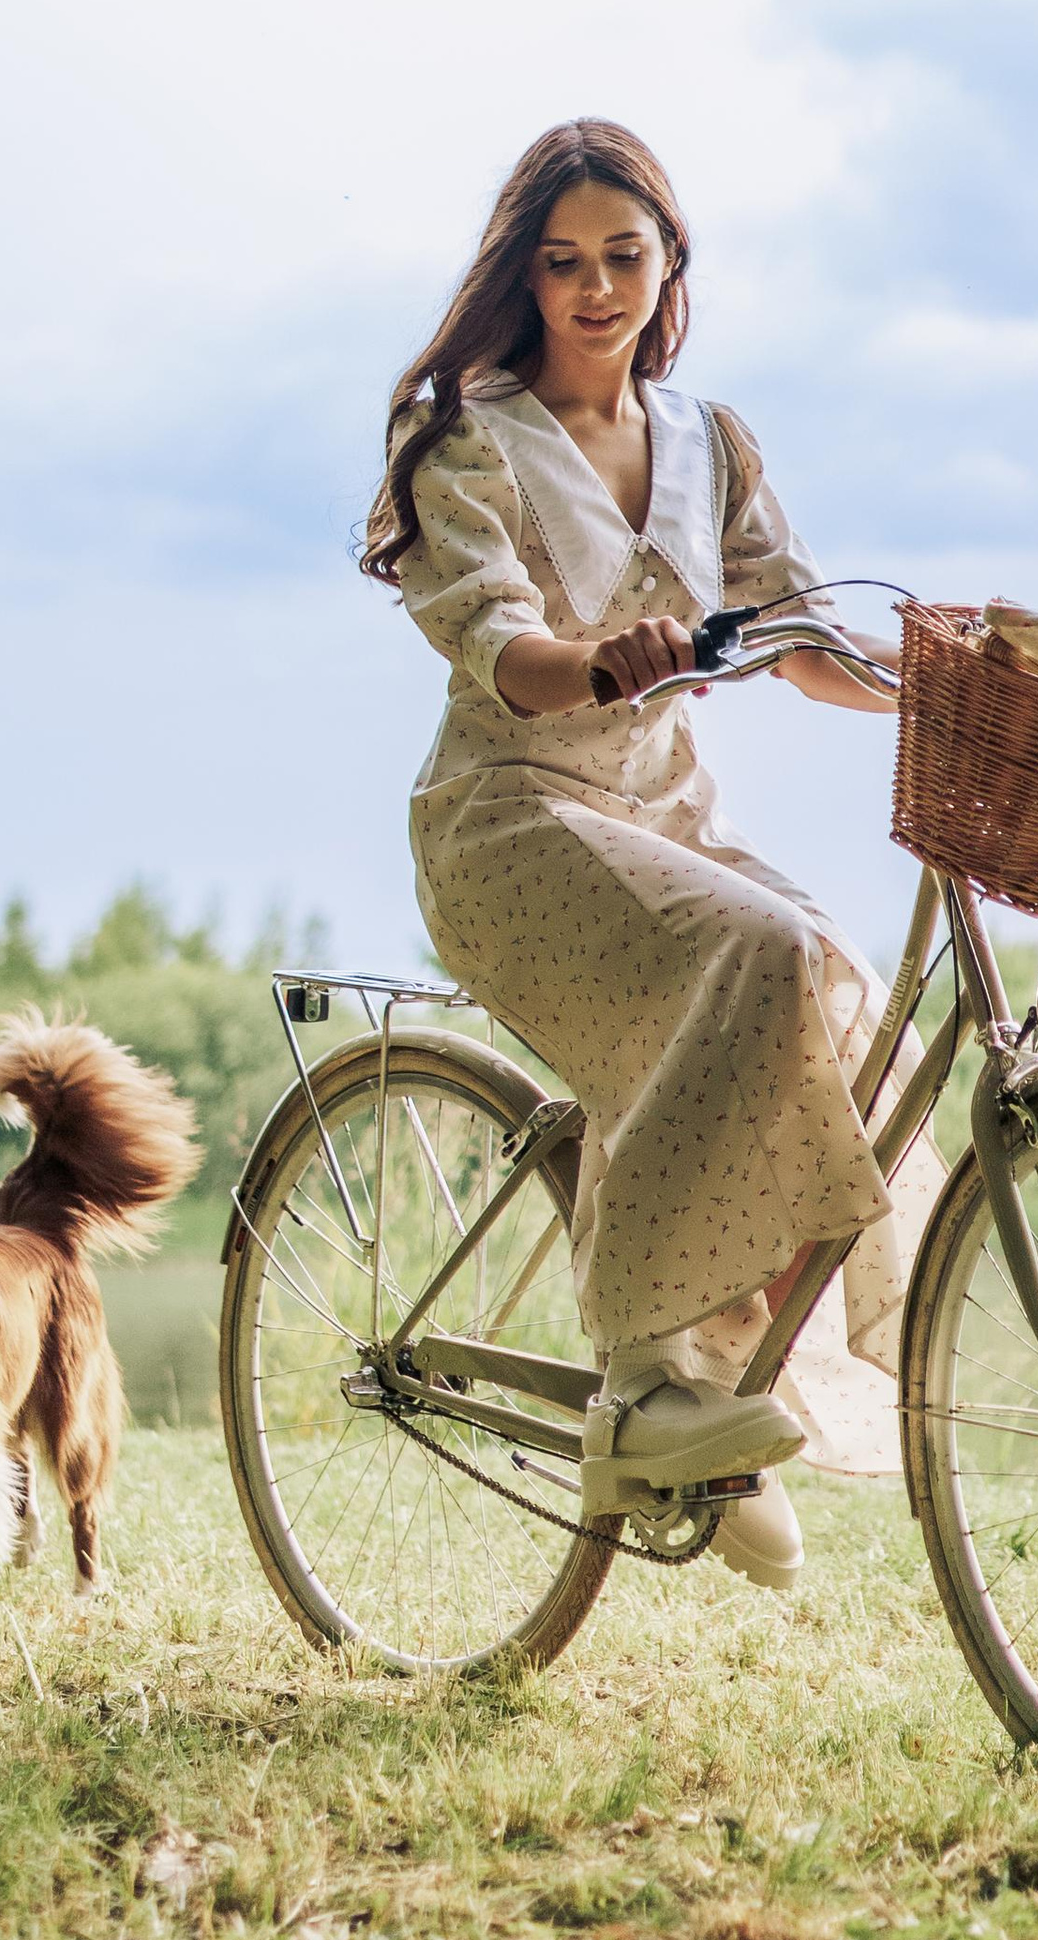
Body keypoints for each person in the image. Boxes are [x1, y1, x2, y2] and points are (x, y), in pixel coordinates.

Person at [364, 119, 929, 1594]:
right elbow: (502, 653)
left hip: (665, 819)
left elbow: (798, 632)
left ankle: (713, 1385)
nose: (597, 290)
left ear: (670, 264)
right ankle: (639, 1374)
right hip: (513, 823)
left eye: (625, 256)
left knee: (843, 992)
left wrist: (945, 679)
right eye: (564, 265)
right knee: (754, 951)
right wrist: (598, 659)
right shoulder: (465, 444)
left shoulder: (709, 443)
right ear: (524, 279)